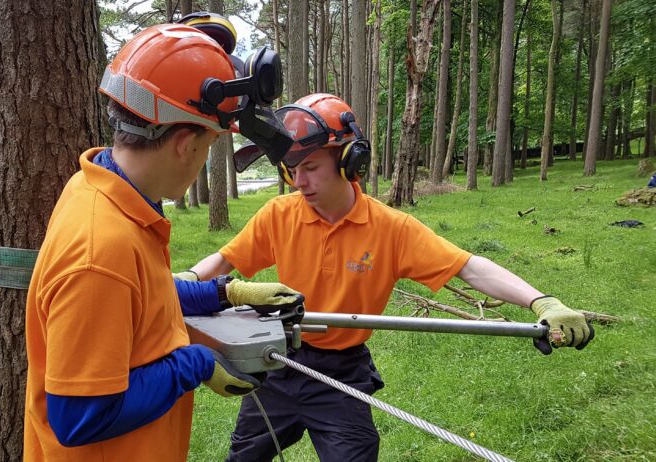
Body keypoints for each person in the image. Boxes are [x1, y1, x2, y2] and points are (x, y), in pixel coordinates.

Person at [191, 93, 595, 462]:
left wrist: (543, 302)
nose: (300, 182)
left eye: (311, 167)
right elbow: (226, 259)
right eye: (292, 169)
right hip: (279, 362)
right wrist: (183, 280)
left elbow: (470, 267)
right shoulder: (279, 215)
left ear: (350, 161)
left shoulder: (391, 229)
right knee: (244, 456)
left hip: (341, 372)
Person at [22, 24, 302, 461]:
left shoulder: (103, 191)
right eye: (210, 142)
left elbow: (138, 296)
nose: (205, 156)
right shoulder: (101, 250)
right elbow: (78, 417)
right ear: (186, 142)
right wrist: (195, 364)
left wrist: (221, 294)